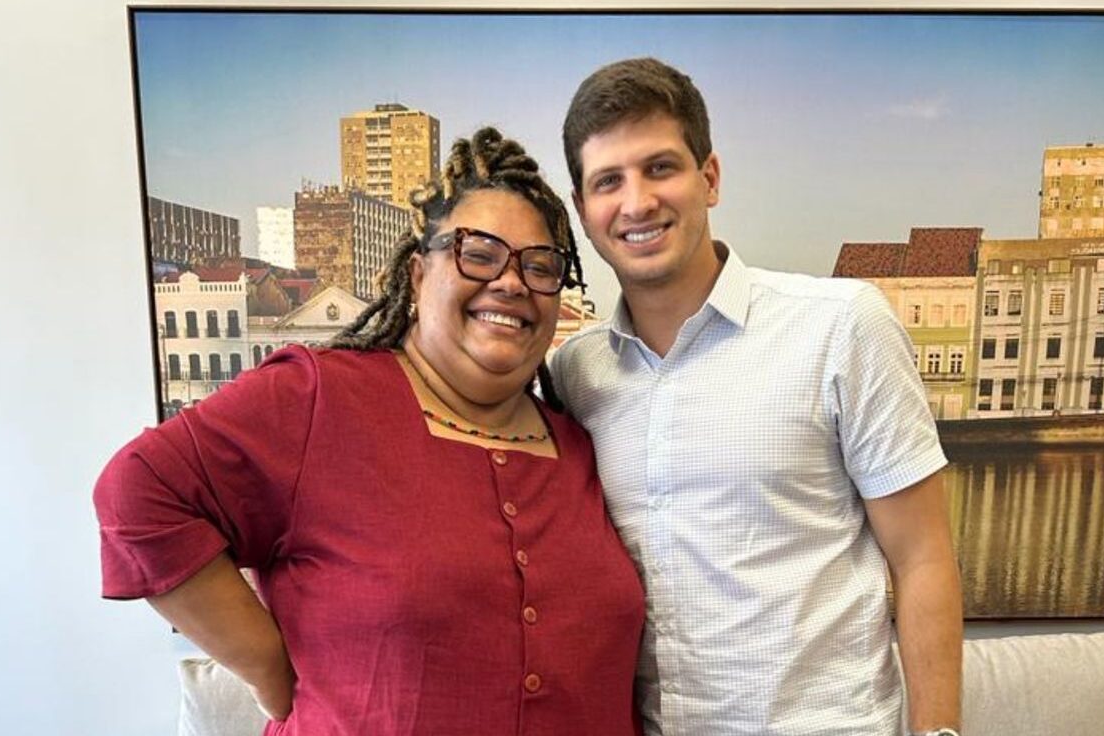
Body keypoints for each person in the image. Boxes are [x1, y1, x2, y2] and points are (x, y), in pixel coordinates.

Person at [94, 127, 645, 736]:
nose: (511, 282)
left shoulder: (579, 444)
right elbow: (138, 494)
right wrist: (269, 668)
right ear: (416, 275)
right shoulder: (319, 399)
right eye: (478, 254)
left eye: (541, 266)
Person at [551, 57, 963, 736]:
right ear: (583, 211)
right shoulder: (577, 373)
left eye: (659, 168)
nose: (635, 202)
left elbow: (922, 558)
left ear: (708, 177)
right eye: (607, 181)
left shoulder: (839, 326)